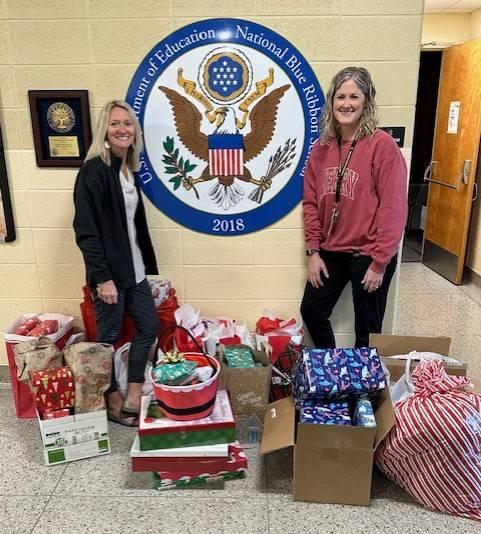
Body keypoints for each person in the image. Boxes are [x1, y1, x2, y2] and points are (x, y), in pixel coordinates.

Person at [301, 67, 407, 349]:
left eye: (354, 97)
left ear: (366, 101)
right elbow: (311, 203)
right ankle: (336, 372)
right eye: (340, 96)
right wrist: (313, 250)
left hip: (369, 253)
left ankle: (364, 392)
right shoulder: (321, 148)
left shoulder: (382, 146)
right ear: (331, 101)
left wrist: (380, 262)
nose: (346, 103)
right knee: (312, 311)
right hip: (330, 252)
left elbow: (393, 208)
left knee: (367, 331)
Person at [73, 100, 160, 426]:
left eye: (127, 123)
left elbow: (130, 226)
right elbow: (85, 230)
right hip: (110, 275)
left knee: (149, 326)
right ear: (104, 131)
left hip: (134, 272)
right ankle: (111, 401)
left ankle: (134, 393)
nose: (123, 129)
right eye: (115, 124)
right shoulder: (94, 170)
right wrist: (102, 278)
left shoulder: (127, 171)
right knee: (107, 338)